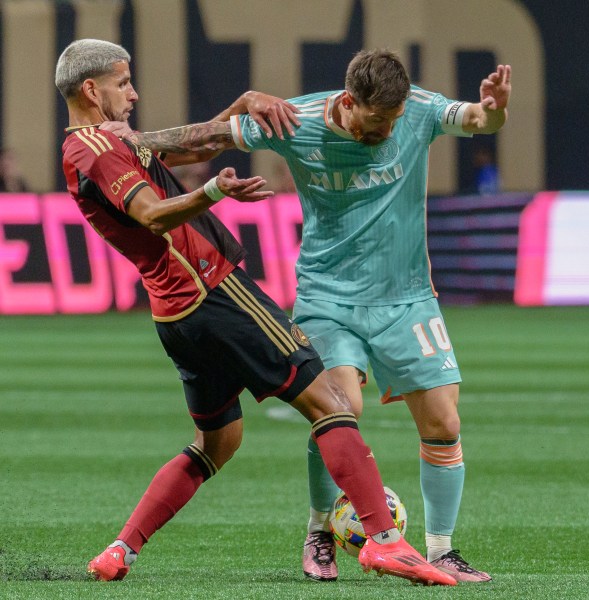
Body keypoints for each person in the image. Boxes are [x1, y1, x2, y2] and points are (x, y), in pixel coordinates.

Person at [55, 39, 456, 587]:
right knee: (331, 402)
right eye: (124, 82)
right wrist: (216, 193)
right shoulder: (96, 149)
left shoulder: (101, 145)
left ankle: (121, 549)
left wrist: (241, 104)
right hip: (214, 292)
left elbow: (189, 152)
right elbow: (152, 217)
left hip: (174, 313)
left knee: (219, 442)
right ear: (90, 89)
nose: (134, 92)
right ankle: (385, 542)